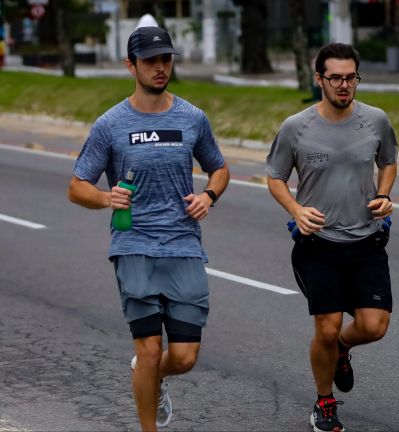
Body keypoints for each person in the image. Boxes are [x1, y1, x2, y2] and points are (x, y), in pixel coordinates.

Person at [67, 26, 230, 432]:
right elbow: (77, 186)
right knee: (150, 347)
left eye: (166, 60)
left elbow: (220, 168)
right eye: (150, 61)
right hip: (134, 244)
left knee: (186, 356)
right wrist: (107, 199)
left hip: (183, 245)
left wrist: (208, 196)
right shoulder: (110, 124)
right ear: (131, 65)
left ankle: (151, 376)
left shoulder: (192, 118)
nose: (160, 68)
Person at [266, 42, 398, 432]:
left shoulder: (376, 120)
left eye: (351, 77)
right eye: (336, 78)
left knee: (374, 326)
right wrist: (296, 210)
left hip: (367, 240)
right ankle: (324, 402)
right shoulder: (296, 127)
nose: (344, 85)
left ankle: (342, 349)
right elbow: (275, 178)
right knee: (324, 327)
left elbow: (388, 161)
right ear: (319, 79)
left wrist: (384, 194)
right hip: (318, 244)